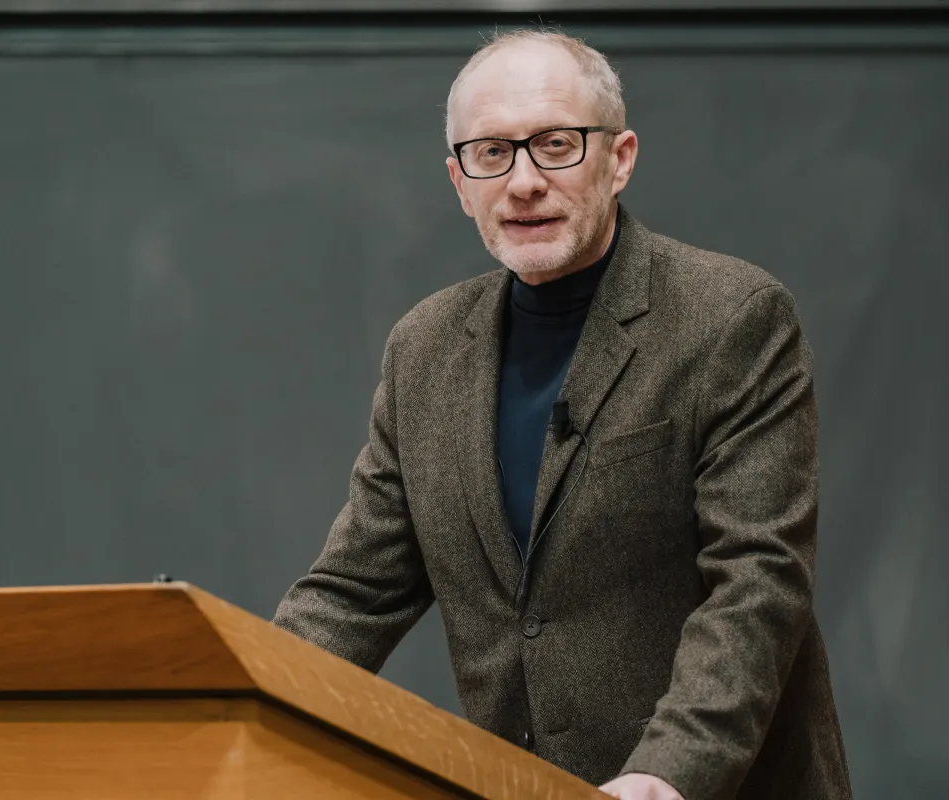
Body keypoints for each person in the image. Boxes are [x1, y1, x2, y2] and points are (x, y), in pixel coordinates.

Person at [274, 28, 852, 800]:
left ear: (620, 159)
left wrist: (664, 771)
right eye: (491, 153)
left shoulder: (731, 318)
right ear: (458, 180)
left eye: (555, 144)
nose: (522, 182)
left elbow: (758, 582)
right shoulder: (424, 347)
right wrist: (235, 699)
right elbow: (354, 592)